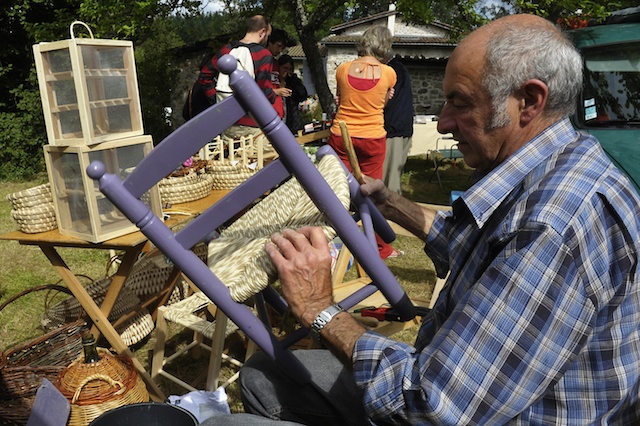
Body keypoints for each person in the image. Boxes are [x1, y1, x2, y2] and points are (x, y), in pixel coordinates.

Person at [201, 14, 640, 425]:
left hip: (447, 406)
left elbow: (434, 406)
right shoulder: (561, 165)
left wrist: (319, 309)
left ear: (528, 100)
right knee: (263, 373)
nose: (444, 122)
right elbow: (475, 247)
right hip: (468, 390)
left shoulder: (553, 226)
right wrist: (391, 203)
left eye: (459, 103)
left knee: (228, 422)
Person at [327, 25, 399, 259]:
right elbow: (379, 106)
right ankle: (380, 248)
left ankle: (329, 242)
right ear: (384, 46)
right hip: (372, 138)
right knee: (372, 192)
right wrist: (386, 98)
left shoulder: (342, 69)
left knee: (337, 191)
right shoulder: (389, 73)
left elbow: (341, 101)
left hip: (341, 134)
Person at [197, 15, 277, 139]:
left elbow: (204, 77)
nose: (267, 38)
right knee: (263, 157)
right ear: (262, 32)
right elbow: (265, 91)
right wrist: (273, 96)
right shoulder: (263, 54)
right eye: (268, 35)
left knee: (230, 158)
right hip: (252, 125)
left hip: (227, 122)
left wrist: (217, 101)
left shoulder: (226, 50)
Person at [382, 56, 414, 194]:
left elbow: (387, 102)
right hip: (402, 127)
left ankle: (388, 212)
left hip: (394, 128)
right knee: (393, 175)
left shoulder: (391, 71)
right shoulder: (399, 68)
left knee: (390, 181)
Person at [266, 28, 294, 119]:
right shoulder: (261, 62)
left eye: (282, 47)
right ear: (270, 42)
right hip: (266, 112)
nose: (280, 50)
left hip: (278, 111)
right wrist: (276, 91)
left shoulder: (276, 63)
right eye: (278, 46)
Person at [278, 54, 308, 134]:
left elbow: (303, 95)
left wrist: (292, 81)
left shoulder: (293, 81)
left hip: (292, 122)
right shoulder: (274, 81)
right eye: (285, 68)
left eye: (290, 69)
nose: (287, 71)